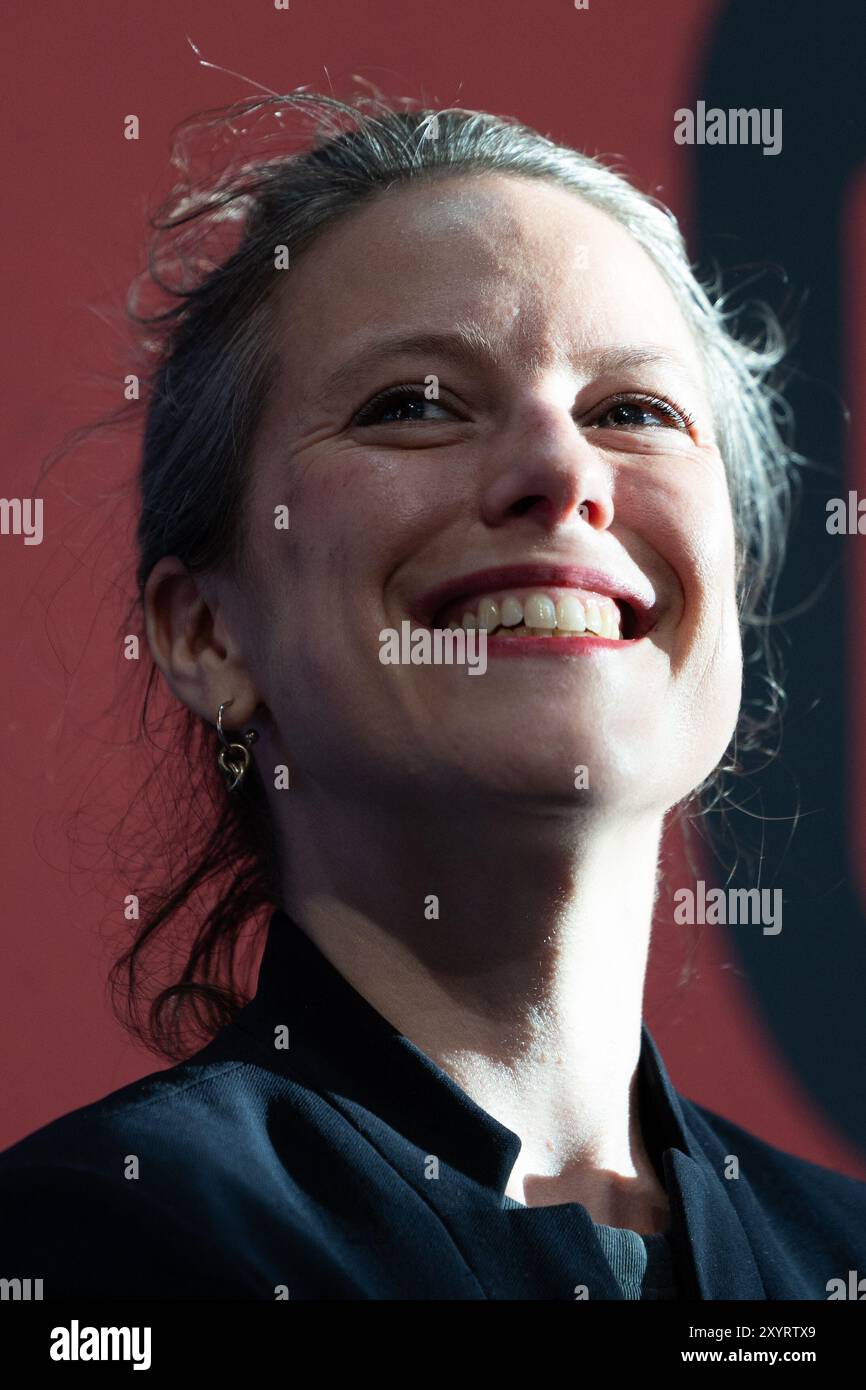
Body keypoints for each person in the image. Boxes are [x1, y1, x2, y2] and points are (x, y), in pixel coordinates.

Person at [2, 91, 864, 1301]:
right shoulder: (94, 1245)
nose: (561, 472)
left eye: (633, 411)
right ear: (205, 631)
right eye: (411, 404)